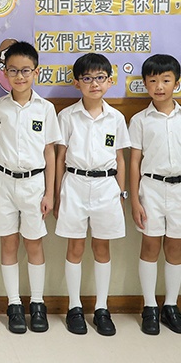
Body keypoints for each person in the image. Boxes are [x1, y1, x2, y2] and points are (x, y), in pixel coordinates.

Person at [0, 41, 61, 334]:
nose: (19, 76)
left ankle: (38, 303)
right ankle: (14, 304)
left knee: (33, 243)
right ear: (5, 72)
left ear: (36, 72)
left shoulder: (46, 108)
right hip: (3, 183)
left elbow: (50, 153)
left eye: (25, 70)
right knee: (8, 243)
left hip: (34, 184)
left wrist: (49, 192)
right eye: (13, 70)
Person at [54, 53, 130, 336]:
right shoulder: (67, 116)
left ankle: (101, 308)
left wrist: (121, 193)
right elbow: (60, 157)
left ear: (110, 81)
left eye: (100, 77)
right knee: (75, 247)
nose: (94, 83)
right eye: (87, 78)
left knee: (102, 248)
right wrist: (57, 195)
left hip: (106, 187)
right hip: (74, 184)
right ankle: (74, 307)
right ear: (77, 83)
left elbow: (120, 159)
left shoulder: (116, 118)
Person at [129, 54, 181, 335]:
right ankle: (149, 306)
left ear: (177, 83)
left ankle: (171, 305)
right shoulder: (140, 120)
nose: (159, 86)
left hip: (179, 190)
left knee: (175, 248)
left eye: (166, 80)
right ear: (145, 84)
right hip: (150, 188)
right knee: (150, 245)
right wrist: (135, 200)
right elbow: (134, 162)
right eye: (153, 81)